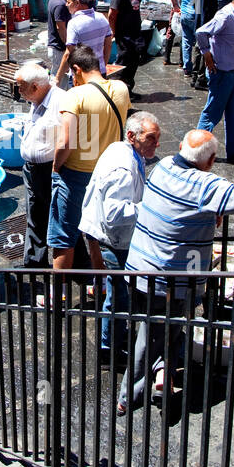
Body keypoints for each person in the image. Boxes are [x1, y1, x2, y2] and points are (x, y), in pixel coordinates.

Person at [118, 129, 234, 414]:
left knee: (166, 331)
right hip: (165, 279)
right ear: (210, 160)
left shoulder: (164, 168)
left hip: (139, 267)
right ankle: (128, 395)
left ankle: (163, 376)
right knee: (152, 337)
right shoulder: (205, 185)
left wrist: (210, 212)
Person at [79, 111, 161, 363]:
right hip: (112, 241)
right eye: (150, 138)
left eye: (158, 138)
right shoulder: (123, 168)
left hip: (109, 236)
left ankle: (114, 339)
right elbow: (115, 213)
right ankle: (109, 349)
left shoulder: (125, 150)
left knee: (119, 295)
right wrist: (149, 208)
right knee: (118, 298)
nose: (156, 144)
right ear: (132, 136)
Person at [49, 45, 131, 273]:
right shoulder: (121, 89)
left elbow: (66, 142)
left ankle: (59, 294)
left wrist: (56, 168)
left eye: (71, 75)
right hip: (109, 171)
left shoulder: (75, 95)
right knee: (96, 231)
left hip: (77, 173)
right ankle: (102, 280)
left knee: (63, 235)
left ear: (77, 69)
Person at [15, 63, 65, 269]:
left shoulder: (61, 102)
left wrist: (57, 168)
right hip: (32, 169)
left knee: (57, 216)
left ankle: (76, 265)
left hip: (50, 169)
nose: (18, 92)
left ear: (35, 86)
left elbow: (71, 141)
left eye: (21, 87)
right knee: (34, 214)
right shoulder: (36, 97)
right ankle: (35, 262)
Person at [196, 0, 234, 163]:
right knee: (212, 113)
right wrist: (206, 54)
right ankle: (196, 152)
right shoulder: (226, 16)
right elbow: (201, 32)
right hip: (223, 74)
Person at [57, 0, 111, 84]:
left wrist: (57, 78)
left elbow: (68, 53)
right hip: (100, 72)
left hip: (82, 76)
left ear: (77, 3)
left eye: (68, 2)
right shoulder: (102, 17)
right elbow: (108, 46)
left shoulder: (74, 23)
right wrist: (103, 65)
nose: (66, 5)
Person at [108, 0, 143, 93]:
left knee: (133, 61)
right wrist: (114, 32)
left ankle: (128, 89)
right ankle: (119, 91)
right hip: (125, 35)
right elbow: (112, 15)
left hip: (135, 34)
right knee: (124, 62)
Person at [46, 0, 74, 85]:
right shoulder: (60, 4)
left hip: (55, 47)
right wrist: (69, 45)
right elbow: (60, 28)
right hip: (59, 48)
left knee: (58, 77)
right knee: (59, 80)